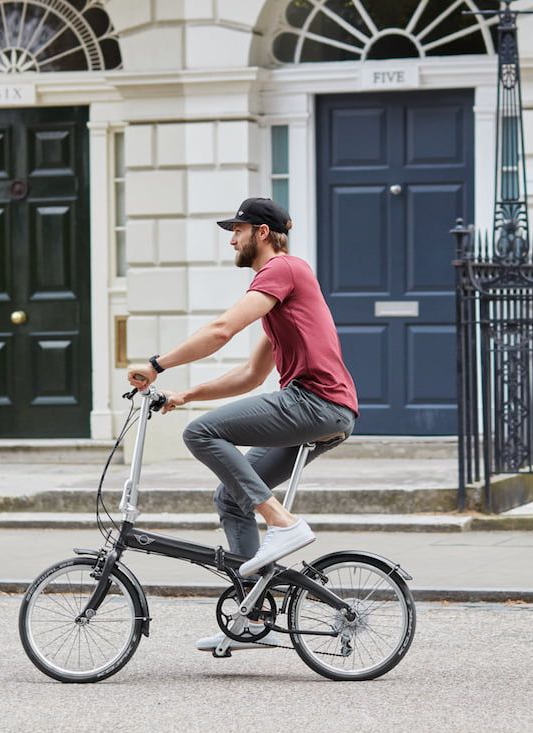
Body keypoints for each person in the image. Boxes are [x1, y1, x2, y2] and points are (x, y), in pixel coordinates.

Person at [126, 197, 359, 652]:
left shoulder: (282, 271)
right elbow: (250, 376)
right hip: (326, 409)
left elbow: (221, 330)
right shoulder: (280, 299)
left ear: (262, 233)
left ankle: (283, 524)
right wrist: (186, 394)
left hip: (315, 402)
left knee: (201, 433)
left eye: (238, 229)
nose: (232, 238)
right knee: (230, 498)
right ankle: (252, 617)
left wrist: (158, 364)